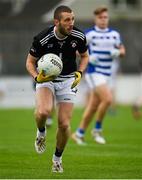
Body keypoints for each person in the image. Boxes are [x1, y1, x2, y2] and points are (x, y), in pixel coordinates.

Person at [26, 5, 89, 173]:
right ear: (57, 22)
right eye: (67, 20)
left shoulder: (79, 36)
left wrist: (80, 73)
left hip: (68, 80)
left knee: (64, 123)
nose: (71, 23)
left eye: (72, 19)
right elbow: (30, 62)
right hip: (47, 78)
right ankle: (41, 133)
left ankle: (57, 159)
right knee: (43, 112)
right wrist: (36, 77)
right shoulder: (42, 39)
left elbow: (85, 56)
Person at [72, 6, 125, 145]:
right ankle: (97, 130)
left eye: (105, 17)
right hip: (94, 72)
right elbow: (76, 50)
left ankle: (79, 133)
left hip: (108, 73)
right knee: (107, 99)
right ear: (95, 19)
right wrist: (89, 56)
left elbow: (122, 49)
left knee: (93, 106)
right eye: (100, 17)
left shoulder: (114, 34)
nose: (103, 20)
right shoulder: (89, 34)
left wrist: (119, 53)